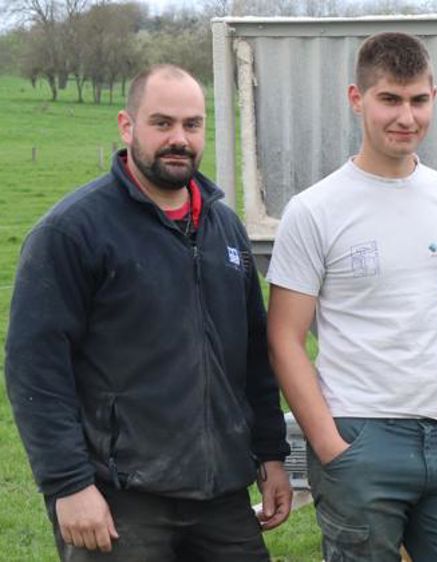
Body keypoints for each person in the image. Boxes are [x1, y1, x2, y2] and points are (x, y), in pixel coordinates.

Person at [5, 64, 292, 561]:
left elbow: (252, 354)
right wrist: (68, 485)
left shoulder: (223, 227)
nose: (179, 139)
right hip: (119, 497)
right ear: (126, 125)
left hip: (221, 492)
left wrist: (270, 453)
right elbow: (36, 368)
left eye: (192, 125)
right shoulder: (73, 233)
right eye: (162, 123)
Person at [266, 32, 437, 562]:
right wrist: (331, 447)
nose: (406, 117)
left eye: (418, 100)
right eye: (390, 100)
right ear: (358, 99)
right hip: (360, 434)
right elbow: (284, 337)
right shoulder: (314, 210)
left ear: (434, 98)